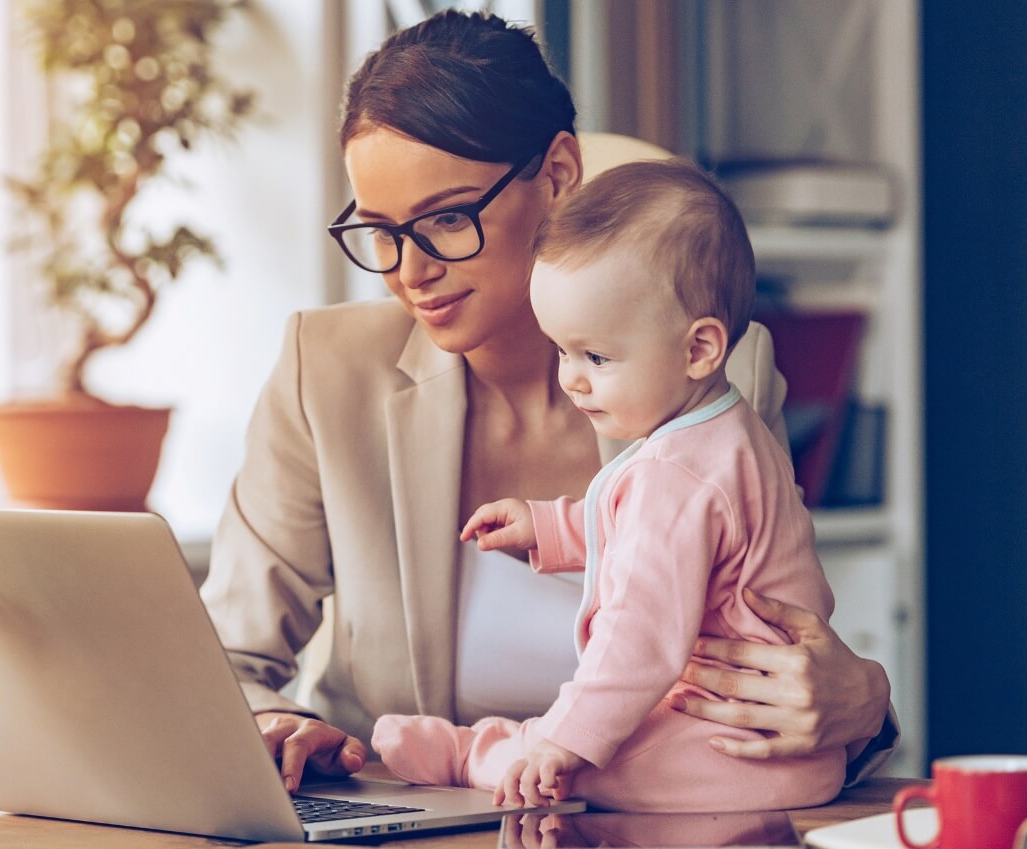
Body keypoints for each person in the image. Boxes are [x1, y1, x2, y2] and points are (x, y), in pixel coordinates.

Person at [198, 9, 895, 796]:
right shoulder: (324, 373)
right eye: (381, 230)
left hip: (648, 815)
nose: (408, 272)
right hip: (411, 818)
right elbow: (221, 660)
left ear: (559, 172)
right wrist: (275, 727)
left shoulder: (711, 379)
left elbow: (777, 640)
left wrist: (863, 701)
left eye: (447, 219)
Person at [370, 158, 846, 812]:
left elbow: (639, 638)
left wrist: (565, 741)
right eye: (562, 350)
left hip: (732, 747)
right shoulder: (729, 433)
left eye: (596, 356)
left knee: (586, 766)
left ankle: (475, 753)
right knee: (601, 748)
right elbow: (659, 537)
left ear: (699, 349)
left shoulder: (673, 472)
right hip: (782, 743)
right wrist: (549, 527)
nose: (572, 378)